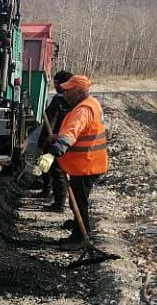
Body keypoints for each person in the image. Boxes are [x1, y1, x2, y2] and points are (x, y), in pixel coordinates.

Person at [45, 75, 108, 250]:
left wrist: (52, 153)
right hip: (88, 161)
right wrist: (57, 137)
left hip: (86, 164)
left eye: (68, 90)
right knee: (78, 200)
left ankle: (82, 237)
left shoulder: (83, 110)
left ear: (79, 91)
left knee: (79, 201)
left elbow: (71, 134)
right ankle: (78, 231)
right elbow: (81, 132)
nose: (65, 94)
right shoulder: (91, 103)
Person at [34, 70, 73, 212]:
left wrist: (41, 143)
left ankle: (59, 203)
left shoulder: (59, 100)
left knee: (56, 170)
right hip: (66, 140)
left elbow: (49, 123)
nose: (55, 86)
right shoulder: (73, 100)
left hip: (56, 140)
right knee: (47, 165)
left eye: (56, 83)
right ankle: (47, 189)